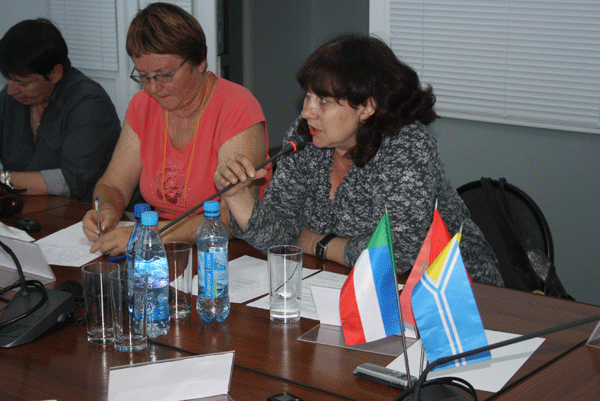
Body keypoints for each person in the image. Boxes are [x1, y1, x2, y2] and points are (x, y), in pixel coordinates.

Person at [215, 34, 504, 286]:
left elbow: (395, 254)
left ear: (367, 107)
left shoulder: (407, 146)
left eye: (323, 101)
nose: (307, 112)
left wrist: (318, 243)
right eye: (308, 96)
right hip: (353, 282)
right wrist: (238, 197)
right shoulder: (306, 137)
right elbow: (281, 236)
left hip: (455, 290)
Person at [82, 2, 270, 256]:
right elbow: (113, 185)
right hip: (167, 248)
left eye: (165, 75)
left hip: (231, 252)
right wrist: (106, 210)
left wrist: (150, 234)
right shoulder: (142, 105)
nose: (153, 88)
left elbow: (231, 219)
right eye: (143, 76)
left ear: (200, 61)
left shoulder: (237, 107)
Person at [0, 18, 121, 202]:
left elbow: (72, 181)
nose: (11, 90)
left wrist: (5, 180)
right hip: (30, 207)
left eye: (23, 83)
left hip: (83, 211)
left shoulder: (88, 103)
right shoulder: (11, 98)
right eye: (8, 79)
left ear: (55, 73)